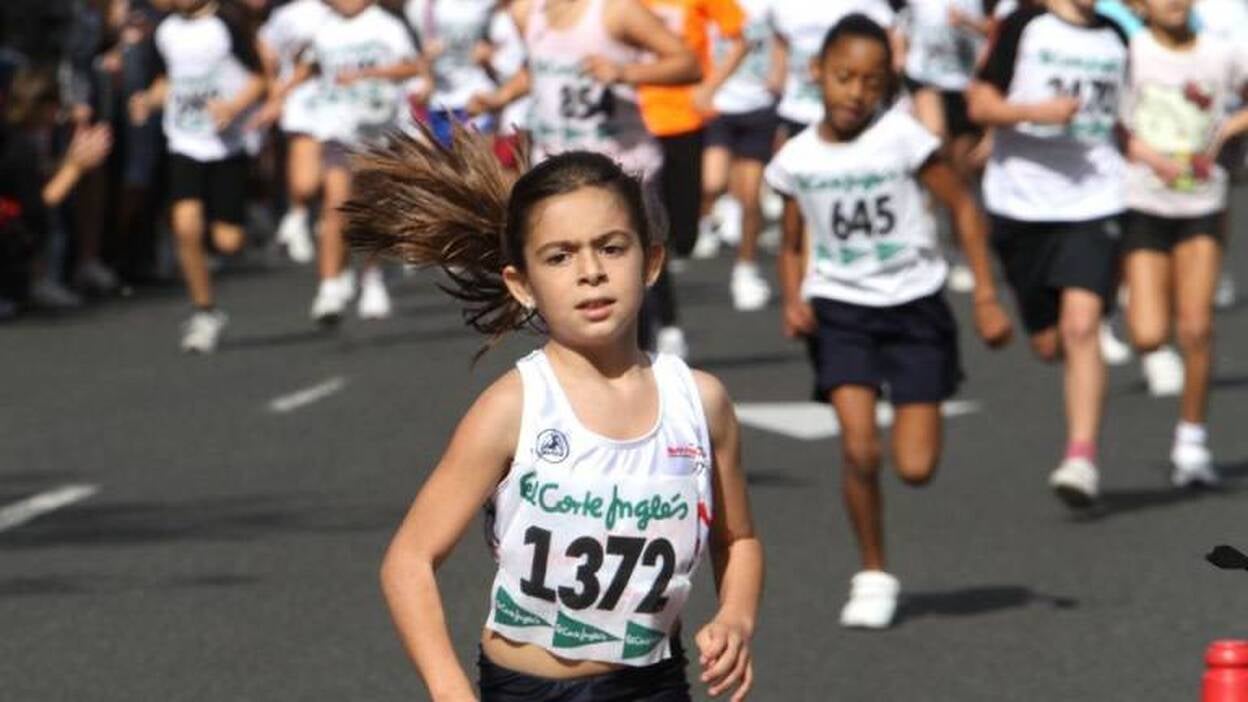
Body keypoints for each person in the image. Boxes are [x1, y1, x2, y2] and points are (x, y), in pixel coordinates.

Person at [355, 129, 763, 701]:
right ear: (522, 285)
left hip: (652, 686)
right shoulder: (514, 407)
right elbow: (409, 559)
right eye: (560, 256)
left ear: (651, 262)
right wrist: (448, 687)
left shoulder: (700, 403)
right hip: (527, 690)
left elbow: (738, 539)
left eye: (611, 248)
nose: (590, 271)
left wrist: (736, 618)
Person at [769, 15, 1011, 629]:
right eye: (844, 76)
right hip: (840, 311)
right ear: (817, 72)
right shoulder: (796, 158)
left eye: (872, 82)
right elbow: (791, 243)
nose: (856, 92)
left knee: (915, 467)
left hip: (914, 306)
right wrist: (793, 298)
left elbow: (962, 206)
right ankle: (873, 574)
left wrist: (985, 295)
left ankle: (918, 411)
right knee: (859, 448)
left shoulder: (903, 138)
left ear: (887, 85)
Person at [967, 0, 1129, 507]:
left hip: (1096, 197)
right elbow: (980, 104)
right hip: (1021, 203)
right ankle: (1067, 346)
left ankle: (1081, 457)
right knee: (1048, 343)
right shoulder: (1023, 24)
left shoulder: (1116, 36)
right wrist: (1034, 113)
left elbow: (1125, 121)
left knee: (1082, 326)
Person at [1120, 0, 1248, 487]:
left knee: (1196, 328)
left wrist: (1231, 126)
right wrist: (1150, 157)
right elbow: (1111, 125)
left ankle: (1191, 443)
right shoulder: (1130, 53)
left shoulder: (1222, 53)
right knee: (1149, 334)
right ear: (1139, 6)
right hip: (1143, 204)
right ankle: (1146, 296)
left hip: (1202, 205)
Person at [268, 0, 424, 324]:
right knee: (336, 205)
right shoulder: (323, 27)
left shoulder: (387, 25)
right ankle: (328, 287)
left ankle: (372, 276)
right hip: (338, 128)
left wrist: (370, 74)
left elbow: (412, 68)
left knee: (369, 208)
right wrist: (279, 95)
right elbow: (310, 66)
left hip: (380, 131)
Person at [129, 0, 265, 352]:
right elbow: (166, 81)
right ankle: (204, 311)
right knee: (185, 223)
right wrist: (147, 101)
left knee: (228, 241)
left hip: (226, 145)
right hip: (184, 140)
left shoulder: (226, 23)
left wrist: (233, 107)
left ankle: (243, 224)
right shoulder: (165, 30)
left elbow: (259, 78)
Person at [634, 0, 747, 356]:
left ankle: (660, 314)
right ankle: (664, 323)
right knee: (648, 227)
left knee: (683, 234)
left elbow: (741, 37)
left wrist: (711, 86)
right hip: (635, 125)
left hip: (685, 118)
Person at [693, 0, 783, 316]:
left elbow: (781, 39)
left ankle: (746, 268)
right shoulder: (713, 6)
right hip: (719, 108)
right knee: (712, 182)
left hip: (758, 107)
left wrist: (779, 73)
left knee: (750, 197)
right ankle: (713, 215)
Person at [254, 0, 332, 265]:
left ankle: (315, 221)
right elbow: (264, 42)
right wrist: (275, 85)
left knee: (334, 172)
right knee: (306, 179)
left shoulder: (340, 12)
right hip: (302, 103)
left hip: (339, 101)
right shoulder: (287, 14)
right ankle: (299, 215)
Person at [404, 0, 497, 146]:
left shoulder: (487, 4)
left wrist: (490, 52)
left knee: (477, 159)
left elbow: (507, 40)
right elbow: (414, 55)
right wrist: (426, 67)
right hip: (438, 103)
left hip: (476, 96)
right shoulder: (418, 6)